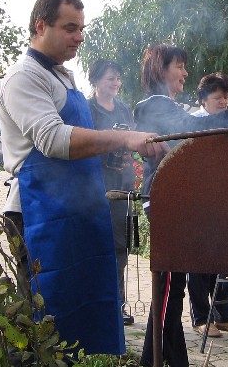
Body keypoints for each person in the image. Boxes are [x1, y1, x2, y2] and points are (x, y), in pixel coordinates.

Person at [0, 0, 168, 357]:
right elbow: (55, 140)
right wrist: (125, 137)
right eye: (70, 28)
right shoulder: (22, 77)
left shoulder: (62, 77)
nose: (80, 37)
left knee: (74, 319)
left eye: (82, 28)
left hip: (74, 211)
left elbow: (82, 144)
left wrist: (118, 154)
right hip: (37, 214)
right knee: (42, 320)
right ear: (40, 25)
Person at [134, 44, 228, 367]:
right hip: (166, 203)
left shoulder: (165, 105)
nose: (185, 73)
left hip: (178, 202)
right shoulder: (153, 105)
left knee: (171, 291)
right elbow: (198, 129)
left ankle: (165, 361)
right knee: (168, 292)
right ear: (161, 70)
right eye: (179, 66)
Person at [187, 72, 228, 338]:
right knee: (201, 261)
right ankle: (201, 318)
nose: (224, 102)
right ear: (203, 99)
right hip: (200, 200)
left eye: (226, 97)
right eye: (217, 97)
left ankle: (225, 316)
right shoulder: (195, 121)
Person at [87, 59, 136, 326]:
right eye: (109, 78)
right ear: (96, 81)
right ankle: (95, 302)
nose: (115, 83)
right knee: (94, 246)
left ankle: (117, 304)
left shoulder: (124, 109)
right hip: (94, 188)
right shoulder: (87, 108)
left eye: (117, 78)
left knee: (120, 247)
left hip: (122, 187)